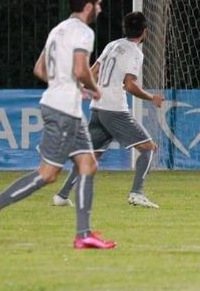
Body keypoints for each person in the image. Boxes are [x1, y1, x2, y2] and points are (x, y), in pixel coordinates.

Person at [0, 0, 115, 249]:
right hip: (62, 110)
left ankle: (84, 235)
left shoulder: (58, 29)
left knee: (88, 164)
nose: (100, 8)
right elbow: (83, 69)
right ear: (88, 6)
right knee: (48, 174)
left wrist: (67, 85)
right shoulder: (83, 32)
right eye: (98, 3)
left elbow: (39, 69)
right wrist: (93, 89)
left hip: (64, 106)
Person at [51, 11, 166, 209]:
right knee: (148, 148)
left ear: (125, 28)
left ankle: (62, 196)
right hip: (114, 110)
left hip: (98, 107)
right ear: (145, 32)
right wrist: (151, 97)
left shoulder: (112, 45)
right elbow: (129, 85)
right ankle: (137, 193)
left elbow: (93, 71)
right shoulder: (135, 53)